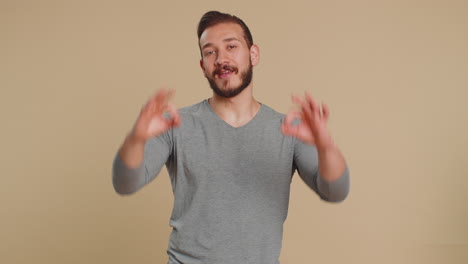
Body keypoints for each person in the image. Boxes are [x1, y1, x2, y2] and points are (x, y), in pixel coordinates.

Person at [113, 10, 350, 264]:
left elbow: (335, 191)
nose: (221, 59)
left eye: (231, 46)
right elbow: (125, 183)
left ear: (253, 54)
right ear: (203, 65)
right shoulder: (175, 124)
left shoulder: (288, 129)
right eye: (210, 51)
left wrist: (326, 146)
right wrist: (135, 139)